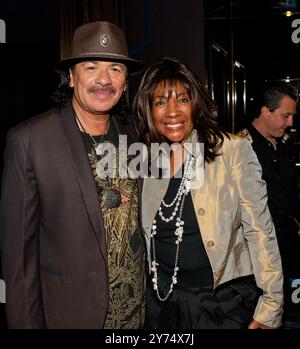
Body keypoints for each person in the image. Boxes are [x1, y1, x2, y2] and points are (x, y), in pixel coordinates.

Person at [0, 21, 146, 329]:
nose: (104, 80)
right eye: (91, 67)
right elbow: (19, 262)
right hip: (71, 316)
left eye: (116, 69)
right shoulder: (30, 140)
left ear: (124, 82)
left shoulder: (134, 137)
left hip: (137, 318)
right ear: (71, 77)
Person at [133, 57, 283, 329]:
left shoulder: (230, 150)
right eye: (159, 102)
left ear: (196, 103)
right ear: (148, 110)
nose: (172, 111)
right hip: (161, 308)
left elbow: (260, 231)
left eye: (181, 99)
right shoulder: (145, 159)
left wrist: (271, 305)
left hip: (220, 307)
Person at [237, 82, 300, 323]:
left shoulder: (283, 147)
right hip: (254, 261)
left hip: (284, 250)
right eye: (285, 115)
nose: (291, 123)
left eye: (292, 116)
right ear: (265, 112)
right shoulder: (240, 147)